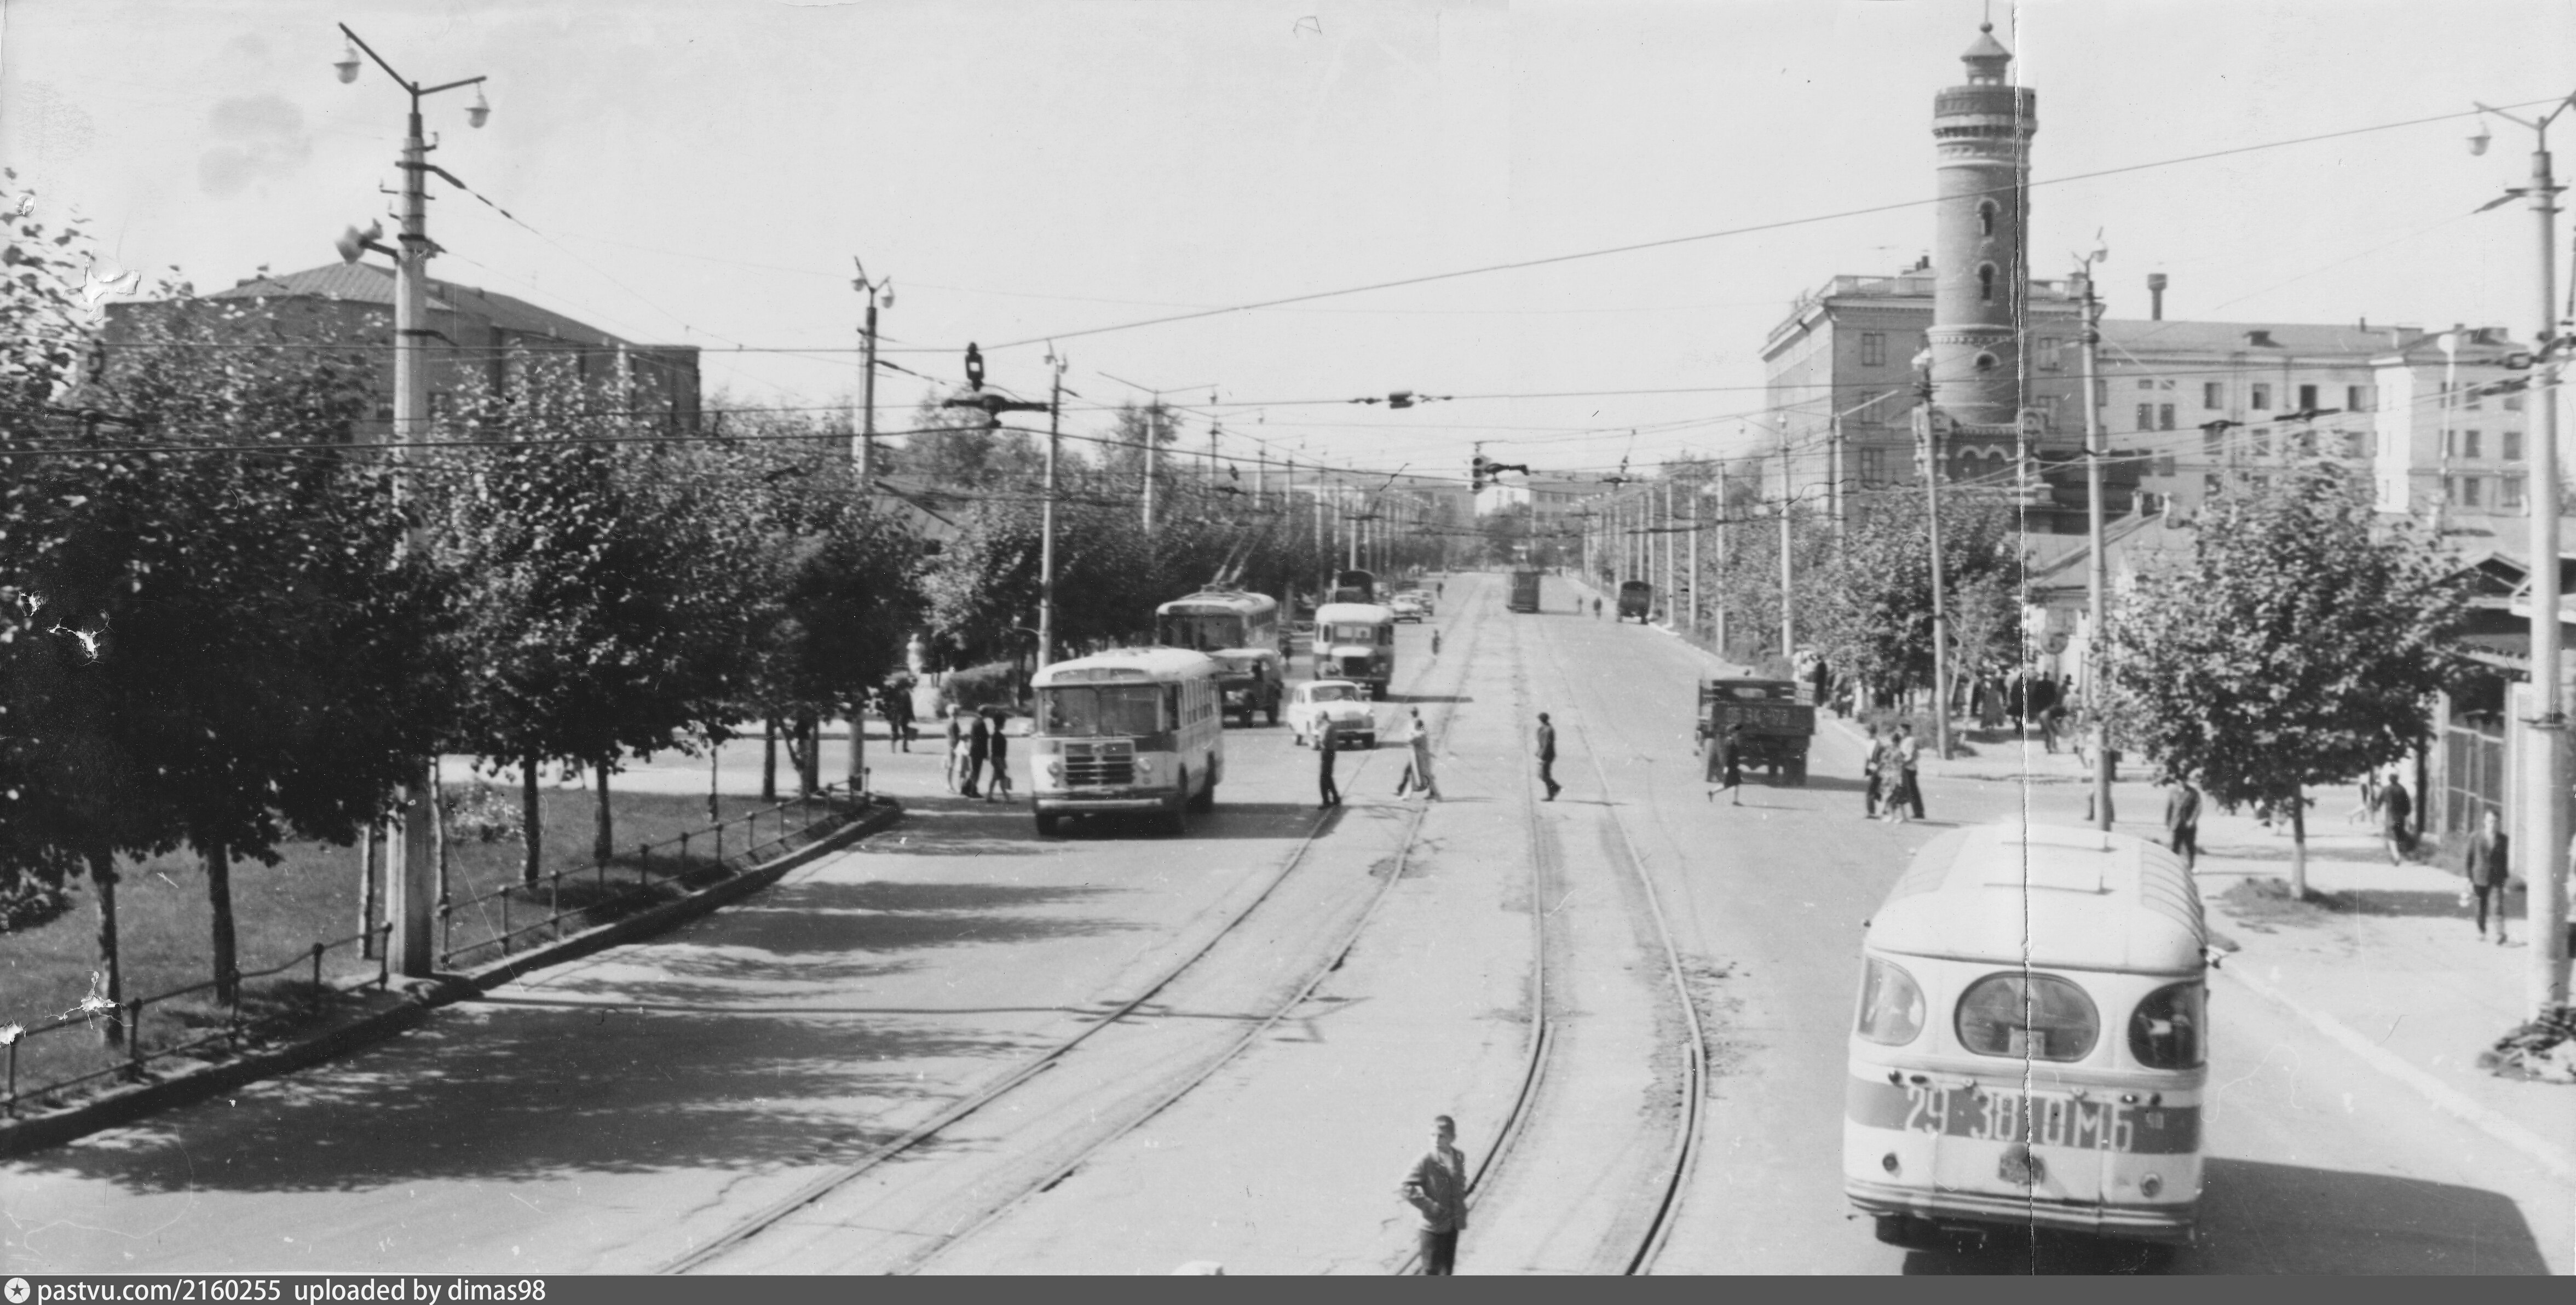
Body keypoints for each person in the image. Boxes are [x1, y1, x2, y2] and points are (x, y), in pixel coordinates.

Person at [1397, 1115, 1469, 1276]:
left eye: (1441, 1136)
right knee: (1431, 1271)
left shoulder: (1459, 1156)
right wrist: (1430, 1206)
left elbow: (1460, 1181)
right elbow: (1404, 1187)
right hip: (1432, 1227)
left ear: (1452, 1138)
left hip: (1452, 1225)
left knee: (1447, 1271)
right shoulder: (1426, 1161)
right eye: (1432, 1135)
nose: (1436, 1140)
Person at [2465, 805, 2511, 945]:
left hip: (2496, 878)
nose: (2493, 824)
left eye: (2496, 821)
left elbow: (2504, 859)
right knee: (2481, 907)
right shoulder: (2475, 837)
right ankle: (2482, 931)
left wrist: (2505, 878)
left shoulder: (2503, 839)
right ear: (2485, 821)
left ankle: (2500, 934)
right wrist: (2468, 878)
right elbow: (2469, 858)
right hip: (2479, 877)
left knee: (2497, 906)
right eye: (2490, 821)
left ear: (2499, 823)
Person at [1398, 707, 1442, 800]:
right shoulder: (1412, 723)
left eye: (1413, 713)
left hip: (1420, 756)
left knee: (1422, 775)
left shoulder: (1419, 723)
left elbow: (1420, 735)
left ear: (1415, 713)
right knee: (1414, 774)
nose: (1412, 714)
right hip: (1416, 755)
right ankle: (1405, 793)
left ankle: (1434, 793)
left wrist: (1415, 734)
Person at [2164, 778, 2202, 870]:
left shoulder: (2193, 792)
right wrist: (2168, 823)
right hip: (2176, 824)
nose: (2181, 782)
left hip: (2189, 826)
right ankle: (2174, 868)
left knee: (2190, 847)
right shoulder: (2173, 792)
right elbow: (2170, 808)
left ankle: (2192, 867)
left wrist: (2192, 820)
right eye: (2179, 780)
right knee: (2174, 847)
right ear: (2177, 781)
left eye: (2183, 780)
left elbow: (2197, 808)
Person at [1888, 724, 1924, 823]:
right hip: (1904, 767)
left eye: (1902, 730)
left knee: (1912, 790)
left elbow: (1912, 755)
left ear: (1906, 731)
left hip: (1909, 768)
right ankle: (1915, 812)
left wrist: (1904, 764)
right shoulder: (1903, 741)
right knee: (1907, 791)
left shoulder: (1911, 740)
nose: (1900, 732)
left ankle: (1918, 812)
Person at [2381, 774, 2414, 864]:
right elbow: (2407, 804)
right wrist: (2406, 813)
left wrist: (2377, 807)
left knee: (2391, 837)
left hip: (2390, 817)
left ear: (2389, 779)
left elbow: (2379, 801)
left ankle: (2396, 857)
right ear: (2397, 779)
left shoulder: (2386, 789)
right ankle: (2405, 854)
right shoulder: (2402, 789)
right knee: (2400, 836)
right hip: (2400, 817)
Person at [984, 706, 1013, 801]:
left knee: (995, 778)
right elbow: (998, 751)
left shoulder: (995, 735)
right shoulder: (999, 736)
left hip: (996, 758)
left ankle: (990, 796)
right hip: (998, 759)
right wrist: (1001, 763)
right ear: (1002, 724)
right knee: (1002, 778)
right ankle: (1007, 798)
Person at [962, 707, 990, 799]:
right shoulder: (982, 723)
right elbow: (984, 740)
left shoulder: (975, 722)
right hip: (979, 750)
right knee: (976, 772)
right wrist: (986, 753)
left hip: (974, 749)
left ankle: (966, 788)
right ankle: (973, 790)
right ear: (985, 714)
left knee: (974, 771)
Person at [1715, 722, 1745, 806]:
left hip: (1733, 766)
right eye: (1735, 732)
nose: (1737, 734)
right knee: (1728, 785)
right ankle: (1712, 793)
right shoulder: (1730, 742)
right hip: (1731, 766)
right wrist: (1726, 767)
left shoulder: (1731, 741)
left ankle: (1735, 800)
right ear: (1731, 733)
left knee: (1735, 783)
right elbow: (1728, 755)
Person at [1316, 718, 1342, 810]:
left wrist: (1319, 740)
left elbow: (1323, 741)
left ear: (1323, 718)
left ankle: (1326, 801)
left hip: (1326, 752)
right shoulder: (1333, 727)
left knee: (1323, 777)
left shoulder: (1325, 728)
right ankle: (1336, 798)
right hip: (1332, 752)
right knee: (1328, 777)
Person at [1860, 723, 1885, 818]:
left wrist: (1877, 769)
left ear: (1872, 733)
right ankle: (1886, 808)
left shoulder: (1878, 744)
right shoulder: (1870, 742)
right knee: (1875, 791)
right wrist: (1867, 772)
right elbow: (1868, 757)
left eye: (1868, 732)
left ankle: (1871, 813)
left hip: (1876, 769)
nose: (1867, 734)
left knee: (1871, 791)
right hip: (1872, 768)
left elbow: (1880, 758)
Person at [1536, 712, 1561, 802]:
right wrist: (1538, 752)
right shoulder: (1544, 728)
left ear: (1542, 720)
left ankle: (1555, 788)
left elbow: (1547, 745)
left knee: (1544, 776)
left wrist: (1542, 756)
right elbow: (1542, 743)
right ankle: (1552, 792)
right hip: (1545, 754)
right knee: (1544, 775)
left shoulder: (1548, 730)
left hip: (1548, 755)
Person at [943, 707, 967, 794]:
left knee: (950, 765)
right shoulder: (954, 722)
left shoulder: (949, 721)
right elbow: (955, 736)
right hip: (953, 745)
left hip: (949, 743)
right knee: (951, 765)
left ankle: (948, 784)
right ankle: (949, 785)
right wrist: (963, 737)